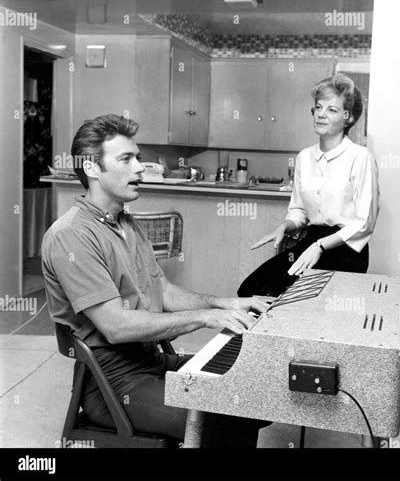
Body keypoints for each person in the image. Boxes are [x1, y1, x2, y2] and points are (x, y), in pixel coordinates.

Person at [41, 114, 270, 447]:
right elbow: (116, 326)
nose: (140, 167)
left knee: (253, 385)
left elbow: (163, 290)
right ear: (92, 168)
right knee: (224, 412)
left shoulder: (126, 224)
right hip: (112, 381)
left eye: (137, 157)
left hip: (150, 361)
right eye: (126, 159)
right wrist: (205, 318)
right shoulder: (72, 236)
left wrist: (227, 304)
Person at [238, 73, 380, 298]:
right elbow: (299, 211)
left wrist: (320, 246)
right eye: (318, 107)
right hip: (311, 241)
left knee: (300, 302)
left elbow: (365, 223)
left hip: (346, 249)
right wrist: (285, 226)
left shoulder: (360, 157)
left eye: (331, 110)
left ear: (348, 117)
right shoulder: (304, 157)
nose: (322, 114)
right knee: (252, 289)